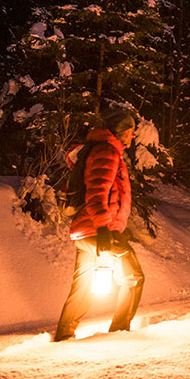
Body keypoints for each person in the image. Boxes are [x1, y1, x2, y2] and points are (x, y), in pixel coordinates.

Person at [53, 108, 145, 341]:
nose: (133, 135)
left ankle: (64, 334)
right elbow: (97, 192)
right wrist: (104, 228)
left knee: (83, 285)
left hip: (86, 230)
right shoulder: (106, 151)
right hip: (98, 229)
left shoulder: (106, 150)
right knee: (132, 277)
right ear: (121, 130)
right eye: (131, 130)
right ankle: (119, 332)